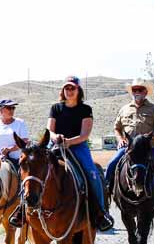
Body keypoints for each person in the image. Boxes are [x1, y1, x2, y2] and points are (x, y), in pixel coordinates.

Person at [47, 76, 114, 232]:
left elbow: (85, 134)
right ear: (63, 91)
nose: (69, 91)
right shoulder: (55, 108)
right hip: (56, 144)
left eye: (73, 88)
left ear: (78, 90)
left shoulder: (85, 109)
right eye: (67, 88)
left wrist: (69, 142)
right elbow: (50, 129)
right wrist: (55, 137)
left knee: (91, 173)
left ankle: (100, 212)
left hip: (77, 146)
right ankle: (25, 210)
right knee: (36, 167)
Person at [105, 81, 154, 209]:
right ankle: (106, 193)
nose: (137, 92)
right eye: (135, 90)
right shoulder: (124, 109)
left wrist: (150, 138)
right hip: (129, 147)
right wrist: (120, 139)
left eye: (140, 90)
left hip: (149, 147)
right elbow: (117, 128)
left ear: (145, 92)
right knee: (112, 164)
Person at [0, 98, 30, 168]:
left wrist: (9, 149)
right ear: (1, 109)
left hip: (17, 160)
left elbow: (25, 142)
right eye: (9, 108)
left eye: (13, 108)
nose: (12, 110)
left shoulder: (20, 123)